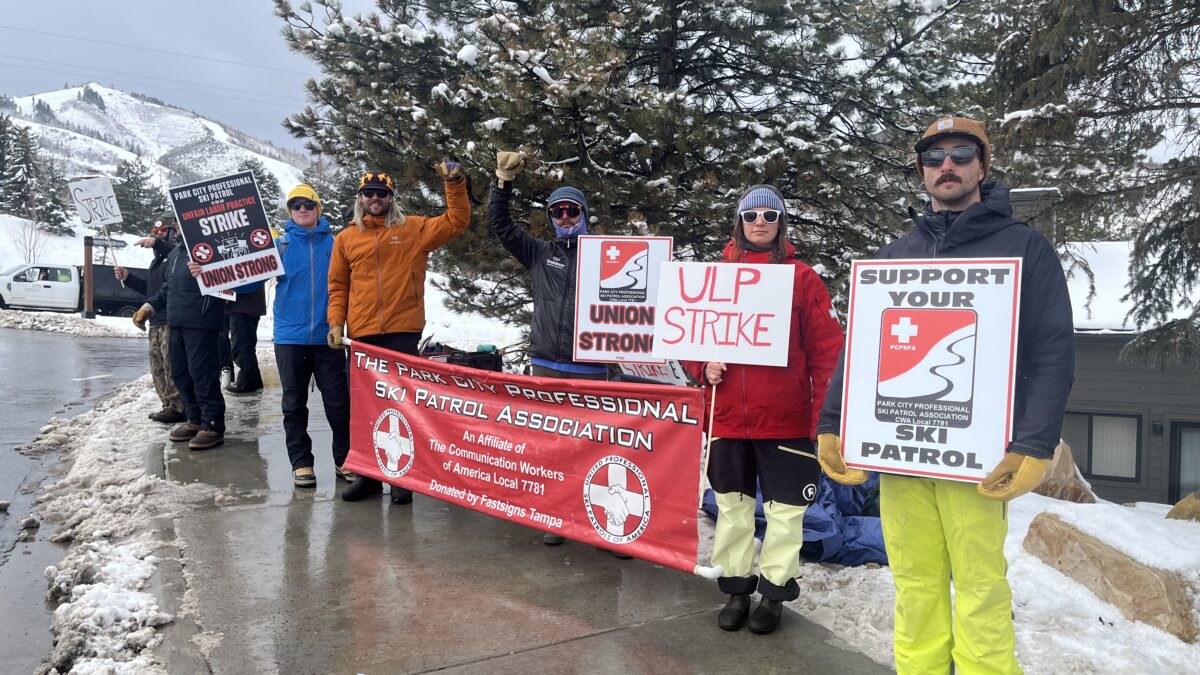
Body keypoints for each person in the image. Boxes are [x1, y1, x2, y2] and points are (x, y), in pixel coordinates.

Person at [817, 117, 1075, 674]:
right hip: (901, 453)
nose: (947, 165)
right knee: (914, 586)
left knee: (980, 588)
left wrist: (1033, 442)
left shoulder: (1025, 248)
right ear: (922, 172)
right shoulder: (893, 256)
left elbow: (1052, 353)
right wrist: (833, 422)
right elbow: (859, 350)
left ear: (982, 166)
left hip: (976, 458)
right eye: (934, 158)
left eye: (961, 154)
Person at [684, 185, 843, 635]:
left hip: (786, 419)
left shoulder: (802, 278)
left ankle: (774, 593)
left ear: (780, 223)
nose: (759, 222)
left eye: (769, 216)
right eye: (751, 215)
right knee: (732, 508)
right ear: (739, 221)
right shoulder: (716, 277)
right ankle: (736, 588)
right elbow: (690, 338)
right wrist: (703, 366)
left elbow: (828, 352)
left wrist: (822, 422)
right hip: (728, 416)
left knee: (786, 513)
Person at [488, 151, 611, 548]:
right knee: (552, 447)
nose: (564, 218)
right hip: (546, 366)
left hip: (592, 369)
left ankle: (606, 523)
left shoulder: (608, 256)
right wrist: (502, 185)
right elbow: (501, 226)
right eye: (557, 212)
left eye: (571, 211)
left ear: (584, 214)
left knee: (595, 447)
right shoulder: (542, 253)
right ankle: (557, 516)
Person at [330, 163, 471, 503]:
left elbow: (457, 221)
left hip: (402, 332)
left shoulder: (413, 229)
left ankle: (403, 480)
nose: (375, 198)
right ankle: (368, 477)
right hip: (362, 335)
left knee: (402, 406)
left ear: (391, 198)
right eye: (369, 194)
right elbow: (338, 286)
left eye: (381, 193)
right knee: (363, 409)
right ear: (360, 198)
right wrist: (336, 324)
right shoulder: (346, 238)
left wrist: (454, 183)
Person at [274, 184, 351, 488]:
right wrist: (205, 271)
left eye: (308, 204)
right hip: (289, 337)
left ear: (318, 208)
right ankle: (301, 463)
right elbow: (244, 282)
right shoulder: (279, 247)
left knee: (338, 404)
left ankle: (344, 460)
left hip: (328, 337)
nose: (302, 210)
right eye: (295, 206)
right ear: (290, 212)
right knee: (293, 404)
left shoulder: (336, 243)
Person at [133, 216, 229, 451]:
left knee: (203, 374)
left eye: (178, 222)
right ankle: (195, 420)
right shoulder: (176, 254)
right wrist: (149, 306)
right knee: (181, 373)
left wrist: (208, 272)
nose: (174, 226)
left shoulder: (212, 251)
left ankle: (213, 425)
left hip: (202, 322)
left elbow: (231, 280)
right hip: (176, 322)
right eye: (174, 223)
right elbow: (169, 287)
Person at [116, 214, 185, 423]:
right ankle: (167, 404)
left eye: (163, 231)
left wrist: (158, 243)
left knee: (170, 365)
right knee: (157, 366)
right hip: (155, 320)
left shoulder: (176, 256)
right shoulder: (158, 260)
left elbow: (168, 287)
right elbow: (151, 290)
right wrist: (128, 278)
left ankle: (179, 406)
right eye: (156, 232)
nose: (158, 234)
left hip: (169, 319)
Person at [222, 282, 266, 394]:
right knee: (248, 344)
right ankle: (254, 380)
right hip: (250, 304)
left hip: (241, 305)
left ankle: (246, 383)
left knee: (241, 345)